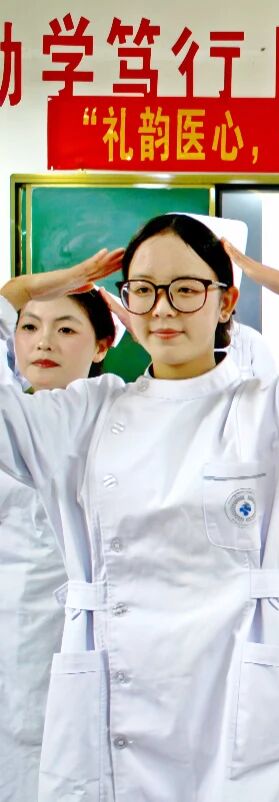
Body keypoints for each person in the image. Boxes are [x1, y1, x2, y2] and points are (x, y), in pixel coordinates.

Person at [0, 214, 279, 800]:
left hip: (236, 681)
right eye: (144, 290)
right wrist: (16, 294)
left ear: (225, 301)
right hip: (118, 685)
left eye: (185, 290)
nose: (163, 309)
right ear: (125, 302)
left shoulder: (269, 410)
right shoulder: (88, 414)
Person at [0, 289, 114, 802]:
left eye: (66, 329)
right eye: (28, 327)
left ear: (102, 344)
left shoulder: (117, 414)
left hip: (98, 619)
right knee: (18, 746)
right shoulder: (10, 417)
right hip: (13, 616)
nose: (43, 342)